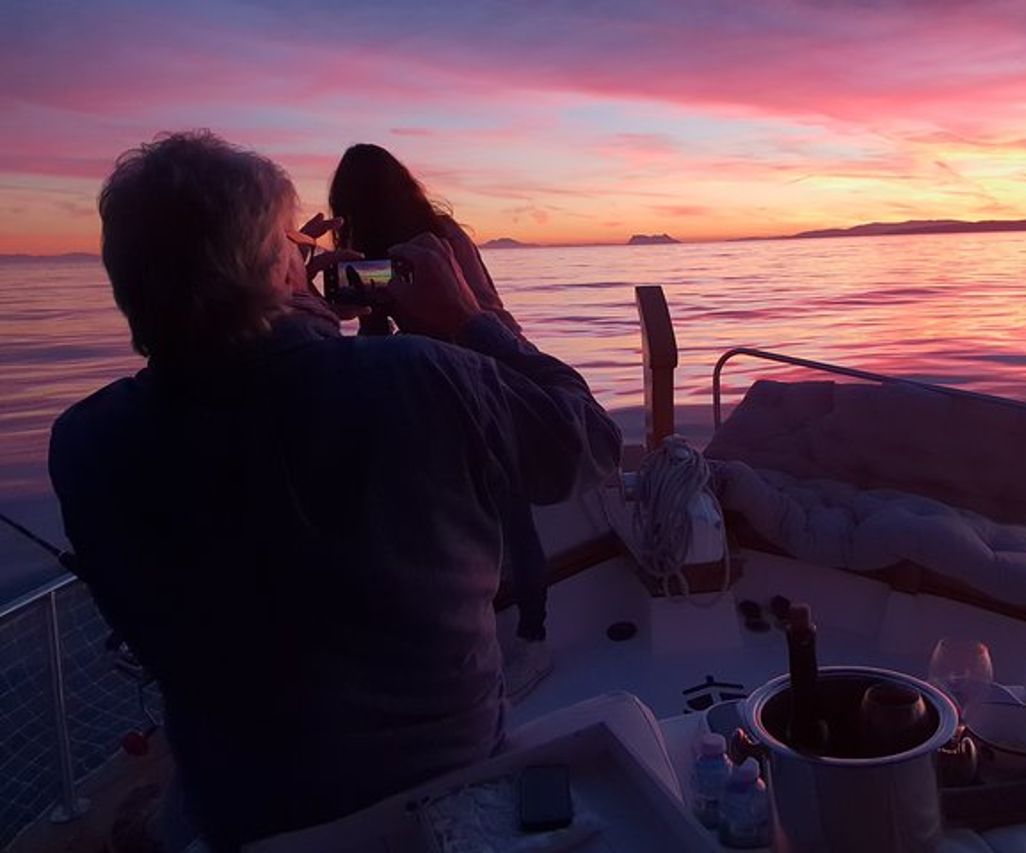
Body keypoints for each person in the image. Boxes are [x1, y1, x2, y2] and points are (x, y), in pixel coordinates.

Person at [48, 131, 621, 849]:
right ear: (276, 267)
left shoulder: (85, 445)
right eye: (295, 242)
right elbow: (589, 445)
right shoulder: (425, 379)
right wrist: (472, 321)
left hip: (245, 817)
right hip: (446, 787)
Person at [327, 143, 552, 699]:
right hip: (441, 383)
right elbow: (375, 336)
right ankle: (480, 615)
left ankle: (535, 637)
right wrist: (339, 297)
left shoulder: (439, 243)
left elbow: (470, 311)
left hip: (488, 370)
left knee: (511, 505)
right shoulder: (385, 255)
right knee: (461, 507)